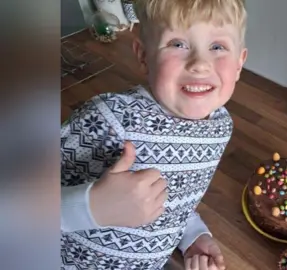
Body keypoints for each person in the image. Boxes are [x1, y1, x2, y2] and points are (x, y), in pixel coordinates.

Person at [60, 0, 248, 269]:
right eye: (178, 44)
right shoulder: (111, 118)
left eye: (217, 47)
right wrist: (90, 207)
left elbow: (175, 200)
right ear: (143, 55)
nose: (200, 65)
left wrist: (193, 236)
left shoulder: (219, 129)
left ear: (240, 63)